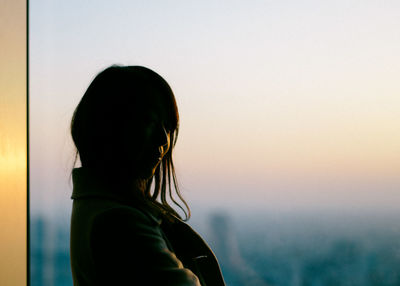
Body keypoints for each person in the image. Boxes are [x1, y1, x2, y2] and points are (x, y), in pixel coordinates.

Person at [69, 65, 226, 286]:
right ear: (111, 128)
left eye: (168, 127)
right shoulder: (121, 224)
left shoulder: (96, 207)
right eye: (150, 122)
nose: (164, 140)